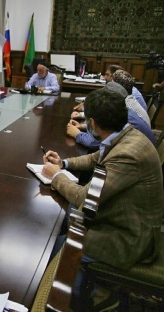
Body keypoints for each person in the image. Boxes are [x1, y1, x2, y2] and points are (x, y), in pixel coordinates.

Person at [42, 88, 163, 311]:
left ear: (93, 123)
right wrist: (64, 164)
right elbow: (97, 157)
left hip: (130, 238)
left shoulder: (129, 153)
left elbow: (83, 197)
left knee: (62, 245)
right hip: (124, 219)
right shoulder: (126, 135)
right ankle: (88, 289)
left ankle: (89, 299)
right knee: (62, 230)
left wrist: (55, 176)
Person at [67, 82, 154, 149]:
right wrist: (83, 126)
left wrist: (77, 134)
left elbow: (95, 142)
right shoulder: (122, 109)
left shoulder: (123, 117)